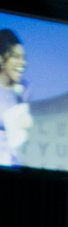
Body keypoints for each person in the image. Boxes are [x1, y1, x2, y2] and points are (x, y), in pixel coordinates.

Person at [0, 29, 31, 167]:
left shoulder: (24, 90)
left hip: (12, 163)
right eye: (16, 57)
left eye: (23, 58)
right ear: (1, 59)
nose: (22, 63)